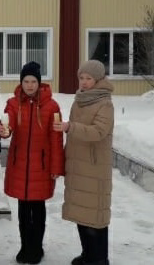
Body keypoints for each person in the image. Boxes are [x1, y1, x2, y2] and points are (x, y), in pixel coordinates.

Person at [0, 61, 65, 264]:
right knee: (23, 210)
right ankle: (25, 246)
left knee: (38, 210)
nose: (29, 85)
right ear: (21, 82)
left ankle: (36, 247)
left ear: (39, 82)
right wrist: (3, 130)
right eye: (26, 81)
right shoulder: (13, 103)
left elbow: (56, 139)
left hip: (41, 167)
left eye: (33, 81)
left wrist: (55, 168)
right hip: (20, 166)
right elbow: (6, 123)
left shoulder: (51, 106)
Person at [54, 60, 114, 265]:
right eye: (82, 78)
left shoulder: (104, 102)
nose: (85, 82)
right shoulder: (80, 100)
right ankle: (88, 254)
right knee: (81, 212)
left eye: (89, 78)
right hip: (78, 165)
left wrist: (71, 127)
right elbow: (71, 136)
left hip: (94, 167)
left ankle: (100, 258)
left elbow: (99, 132)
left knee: (96, 216)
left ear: (98, 80)